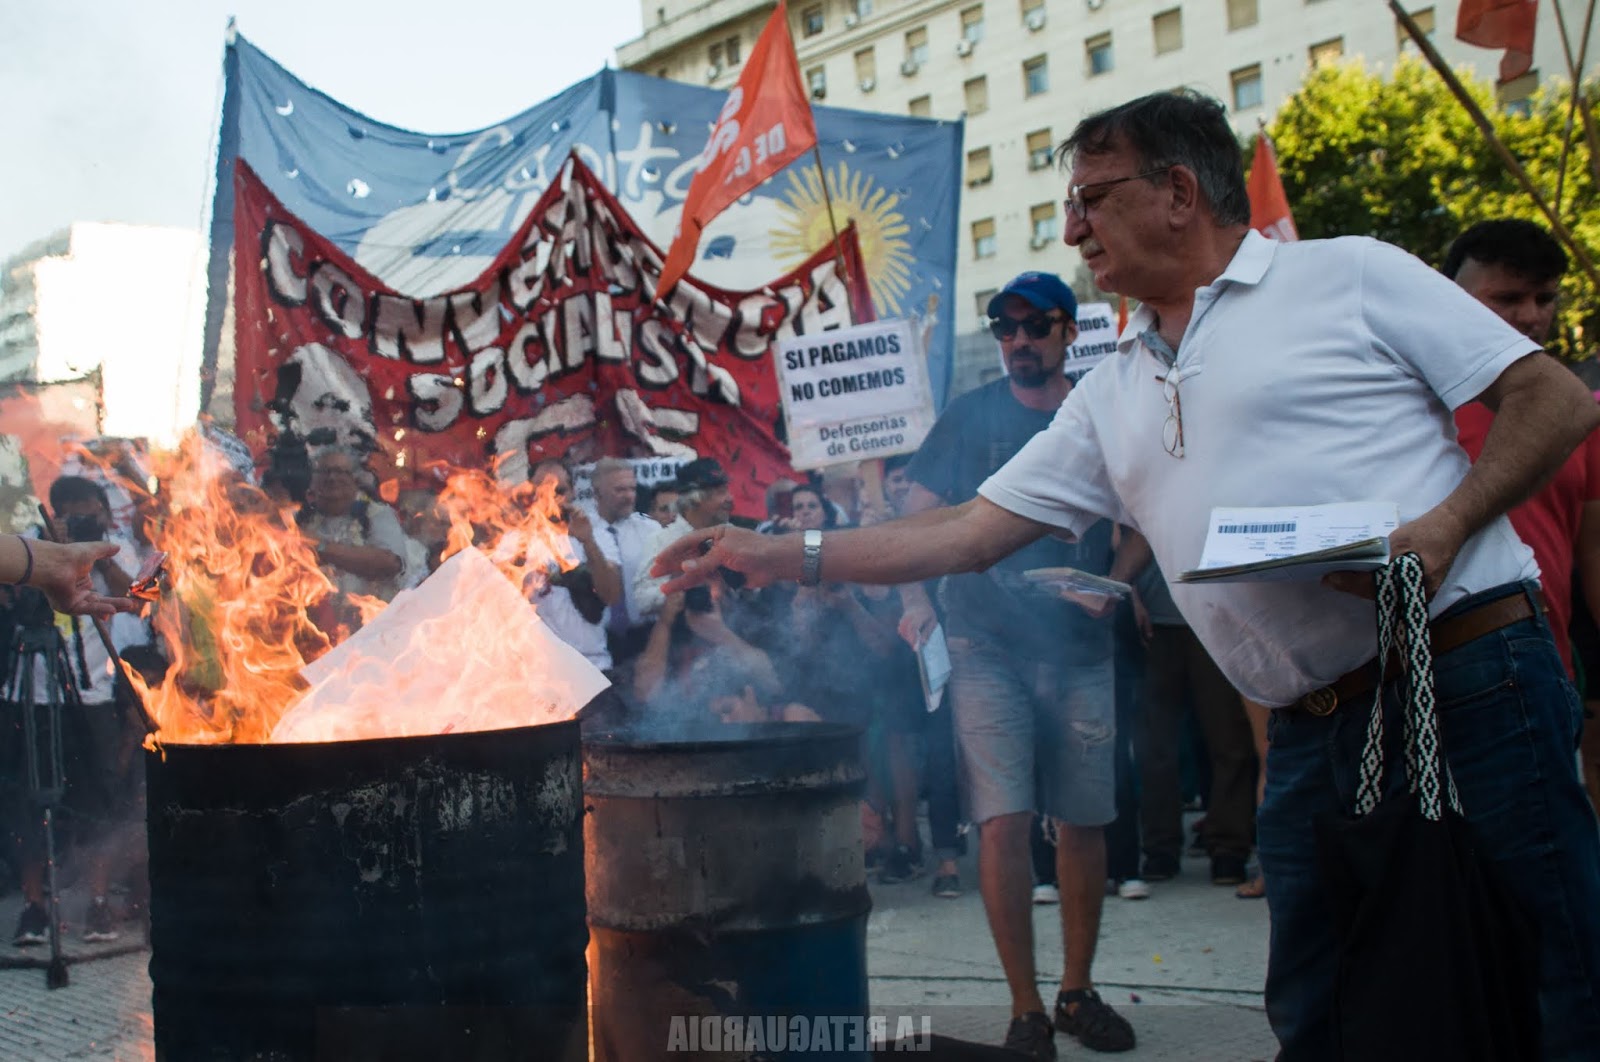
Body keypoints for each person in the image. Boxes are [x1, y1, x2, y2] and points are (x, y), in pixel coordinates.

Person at [654, 90, 1600, 1062]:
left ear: (1178, 192)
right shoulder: (1111, 388)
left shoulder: (1349, 273)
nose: (1073, 229)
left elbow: (1555, 400)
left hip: (1465, 678)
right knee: (1322, 1009)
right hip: (1312, 729)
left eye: (1092, 199)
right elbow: (970, 529)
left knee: (1547, 981)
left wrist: (1441, 531)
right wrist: (775, 553)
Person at [1447, 219, 1600, 682]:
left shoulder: (1578, 412)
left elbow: (1594, 552)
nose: (1531, 316)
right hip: (1431, 689)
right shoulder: (1411, 405)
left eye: (1545, 298)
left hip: (1550, 677)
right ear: (1448, 297)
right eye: (1508, 298)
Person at [526, 459, 622, 673]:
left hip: (592, 665)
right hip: (540, 671)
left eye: (559, 491)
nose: (551, 498)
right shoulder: (514, 540)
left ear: (573, 492)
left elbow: (611, 595)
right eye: (542, 492)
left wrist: (588, 542)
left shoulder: (598, 534)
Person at [297, 448, 407, 607]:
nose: (332, 478)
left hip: (371, 616)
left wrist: (320, 547)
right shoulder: (298, 518)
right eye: (325, 471)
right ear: (312, 481)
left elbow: (391, 564)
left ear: (356, 480)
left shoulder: (376, 514)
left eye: (340, 472)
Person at [632, 458, 735, 622]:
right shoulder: (662, 541)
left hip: (739, 630)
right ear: (695, 499)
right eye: (720, 492)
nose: (730, 498)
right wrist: (684, 588)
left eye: (727, 491)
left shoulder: (734, 535)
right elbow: (642, 600)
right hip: (681, 634)